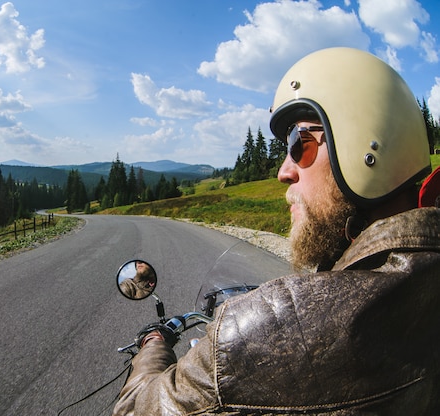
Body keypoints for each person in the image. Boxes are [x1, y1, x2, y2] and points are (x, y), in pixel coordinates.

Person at [113, 47, 440, 415]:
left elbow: (137, 408)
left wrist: (154, 345)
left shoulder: (276, 328)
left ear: (366, 148)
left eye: (298, 143)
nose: (284, 171)